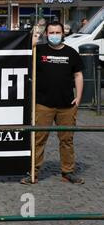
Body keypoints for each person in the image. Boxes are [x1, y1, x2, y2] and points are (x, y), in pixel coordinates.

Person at [21, 21, 84, 185]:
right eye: (51, 33)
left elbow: (78, 75)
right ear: (46, 34)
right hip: (43, 104)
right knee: (38, 139)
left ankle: (68, 171)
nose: (55, 35)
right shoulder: (39, 50)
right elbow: (26, 49)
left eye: (57, 32)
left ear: (63, 34)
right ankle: (33, 172)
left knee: (67, 140)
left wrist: (79, 98)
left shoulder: (71, 53)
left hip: (67, 105)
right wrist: (36, 37)